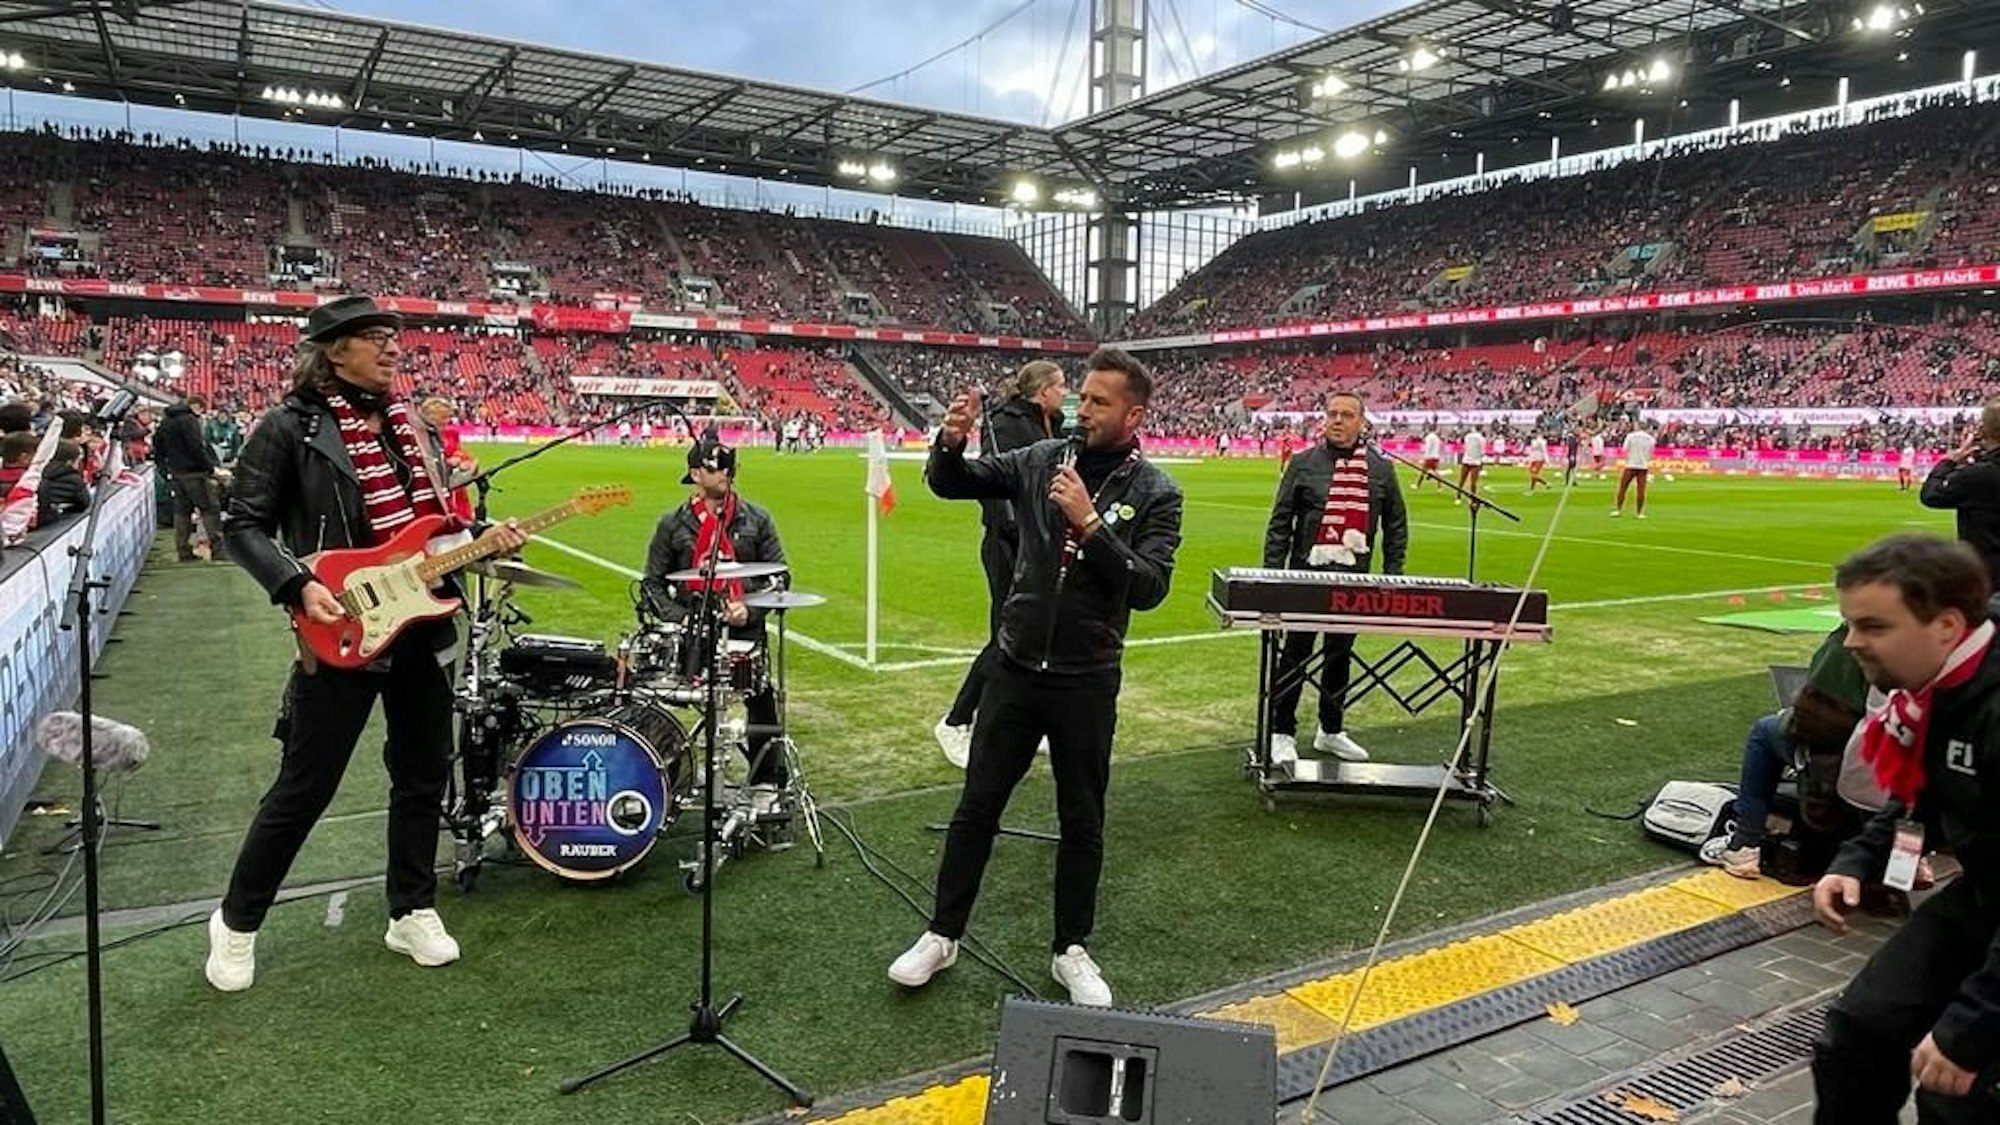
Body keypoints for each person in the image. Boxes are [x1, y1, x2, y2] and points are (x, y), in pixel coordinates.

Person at [206, 296, 527, 993]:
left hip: (424, 626)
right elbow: (241, 524)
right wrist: (294, 585)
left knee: (422, 773)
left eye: (392, 338)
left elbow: (429, 534)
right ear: (332, 351)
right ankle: (236, 921)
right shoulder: (291, 427)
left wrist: (480, 543)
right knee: (306, 784)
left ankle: (410, 908)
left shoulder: (412, 426)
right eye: (374, 338)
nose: (390, 349)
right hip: (342, 625)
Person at [888, 347, 1182, 1007]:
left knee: (1082, 819)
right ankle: (942, 932)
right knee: (977, 807)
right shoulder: (1040, 460)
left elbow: (1150, 587)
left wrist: (1091, 521)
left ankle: (1070, 949)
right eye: (1082, 396)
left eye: (1100, 401)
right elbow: (954, 482)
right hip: (1017, 669)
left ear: (1134, 414)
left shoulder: (1157, 490)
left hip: (1086, 678)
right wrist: (950, 441)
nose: (1084, 409)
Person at [1811, 533, 2000, 1124]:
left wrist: (1968, 1030)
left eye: (1873, 627)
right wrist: (1857, 861)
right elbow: (1917, 794)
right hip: (1987, 892)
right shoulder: (1931, 694)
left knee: (1956, 1091)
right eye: (1850, 624)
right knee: (1856, 1034)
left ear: (1946, 626)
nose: (1851, 643)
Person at [1261, 390, 1409, 765]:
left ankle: (1331, 730)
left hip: (1354, 581)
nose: (1338, 421)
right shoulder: (1303, 463)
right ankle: (1282, 731)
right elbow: (1280, 524)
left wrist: (1392, 576)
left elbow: (1396, 525)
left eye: (1347, 415)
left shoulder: (1381, 469)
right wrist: (1272, 578)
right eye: (1332, 413)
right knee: (1295, 654)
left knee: (1339, 654)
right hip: (1305, 577)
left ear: (1362, 422)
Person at [935, 360, 1068, 768]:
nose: (1066, 391)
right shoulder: (1008, 423)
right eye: (1061, 385)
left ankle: (1028, 722)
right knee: (1006, 637)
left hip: (1040, 543)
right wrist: (1008, 526)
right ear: (1043, 390)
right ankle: (956, 721)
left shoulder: (1052, 424)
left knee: (1037, 636)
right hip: (1009, 543)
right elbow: (995, 480)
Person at [643, 438, 789, 805]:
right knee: (659, 696)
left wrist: (749, 609)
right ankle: (667, 771)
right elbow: (652, 585)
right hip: (692, 636)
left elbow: (780, 578)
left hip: (744, 633)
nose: (724, 473)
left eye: (728, 466)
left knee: (760, 697)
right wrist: (683, 620)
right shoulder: (671, 524)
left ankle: (765, 780)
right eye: (714, 467)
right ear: (695, 474)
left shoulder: (758, 518)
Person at [1919, 399, 2000, 588]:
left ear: (1983, 431)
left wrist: (1949, 462)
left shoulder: (1977, 475)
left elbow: (1931, 496)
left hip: (1987, 575)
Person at [155, 393, 226, 562]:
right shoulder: (189, 420)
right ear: (197, 407)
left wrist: (166, 470)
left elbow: (157, 446)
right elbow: (196, 448)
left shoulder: (166, 421)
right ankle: (219, 550)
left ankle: (183, 551)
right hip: (195, 473)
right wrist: (209, 469)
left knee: (181, 513)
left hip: (176, 473)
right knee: (209, 509)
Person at [34, 441, 90, 526]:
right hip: (59, 520)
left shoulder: (39, 472)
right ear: (69, 462)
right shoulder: (73, 478)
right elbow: (84, 502)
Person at [1612, 426, 1655, 518]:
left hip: (1631, 464)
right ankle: (1639, 513)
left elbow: (1624, 449)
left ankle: (1618, 510)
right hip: (1643, 466)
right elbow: (1650, 454)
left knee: (1623, 487)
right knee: (1641, 490)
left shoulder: (1631, 436)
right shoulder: (1651, 439)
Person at [1454, 425, 1486, 503]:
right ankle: (1473, 499)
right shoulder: (1482, 439)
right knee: (1473, 482)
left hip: (1466, 459)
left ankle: (1458, 496)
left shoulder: (1467, 436)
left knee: (1462, 480)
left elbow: (1465, 446)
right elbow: (1482, 452)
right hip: (1475, 462)